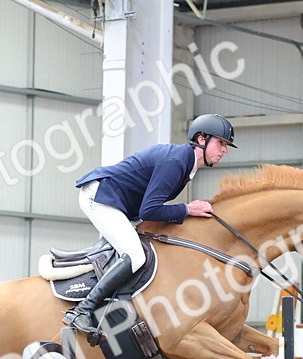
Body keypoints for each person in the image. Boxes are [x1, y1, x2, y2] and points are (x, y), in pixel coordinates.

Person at [62, 113, 236, 341]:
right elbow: (149, 211)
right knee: (135, 255)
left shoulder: (185, 163)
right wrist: (187, 209)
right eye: (220, 142)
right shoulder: (176, 162)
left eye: (226, 145)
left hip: (117, 202)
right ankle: (82, 310)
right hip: (101, 197)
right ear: (201, 139)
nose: (224, 150)